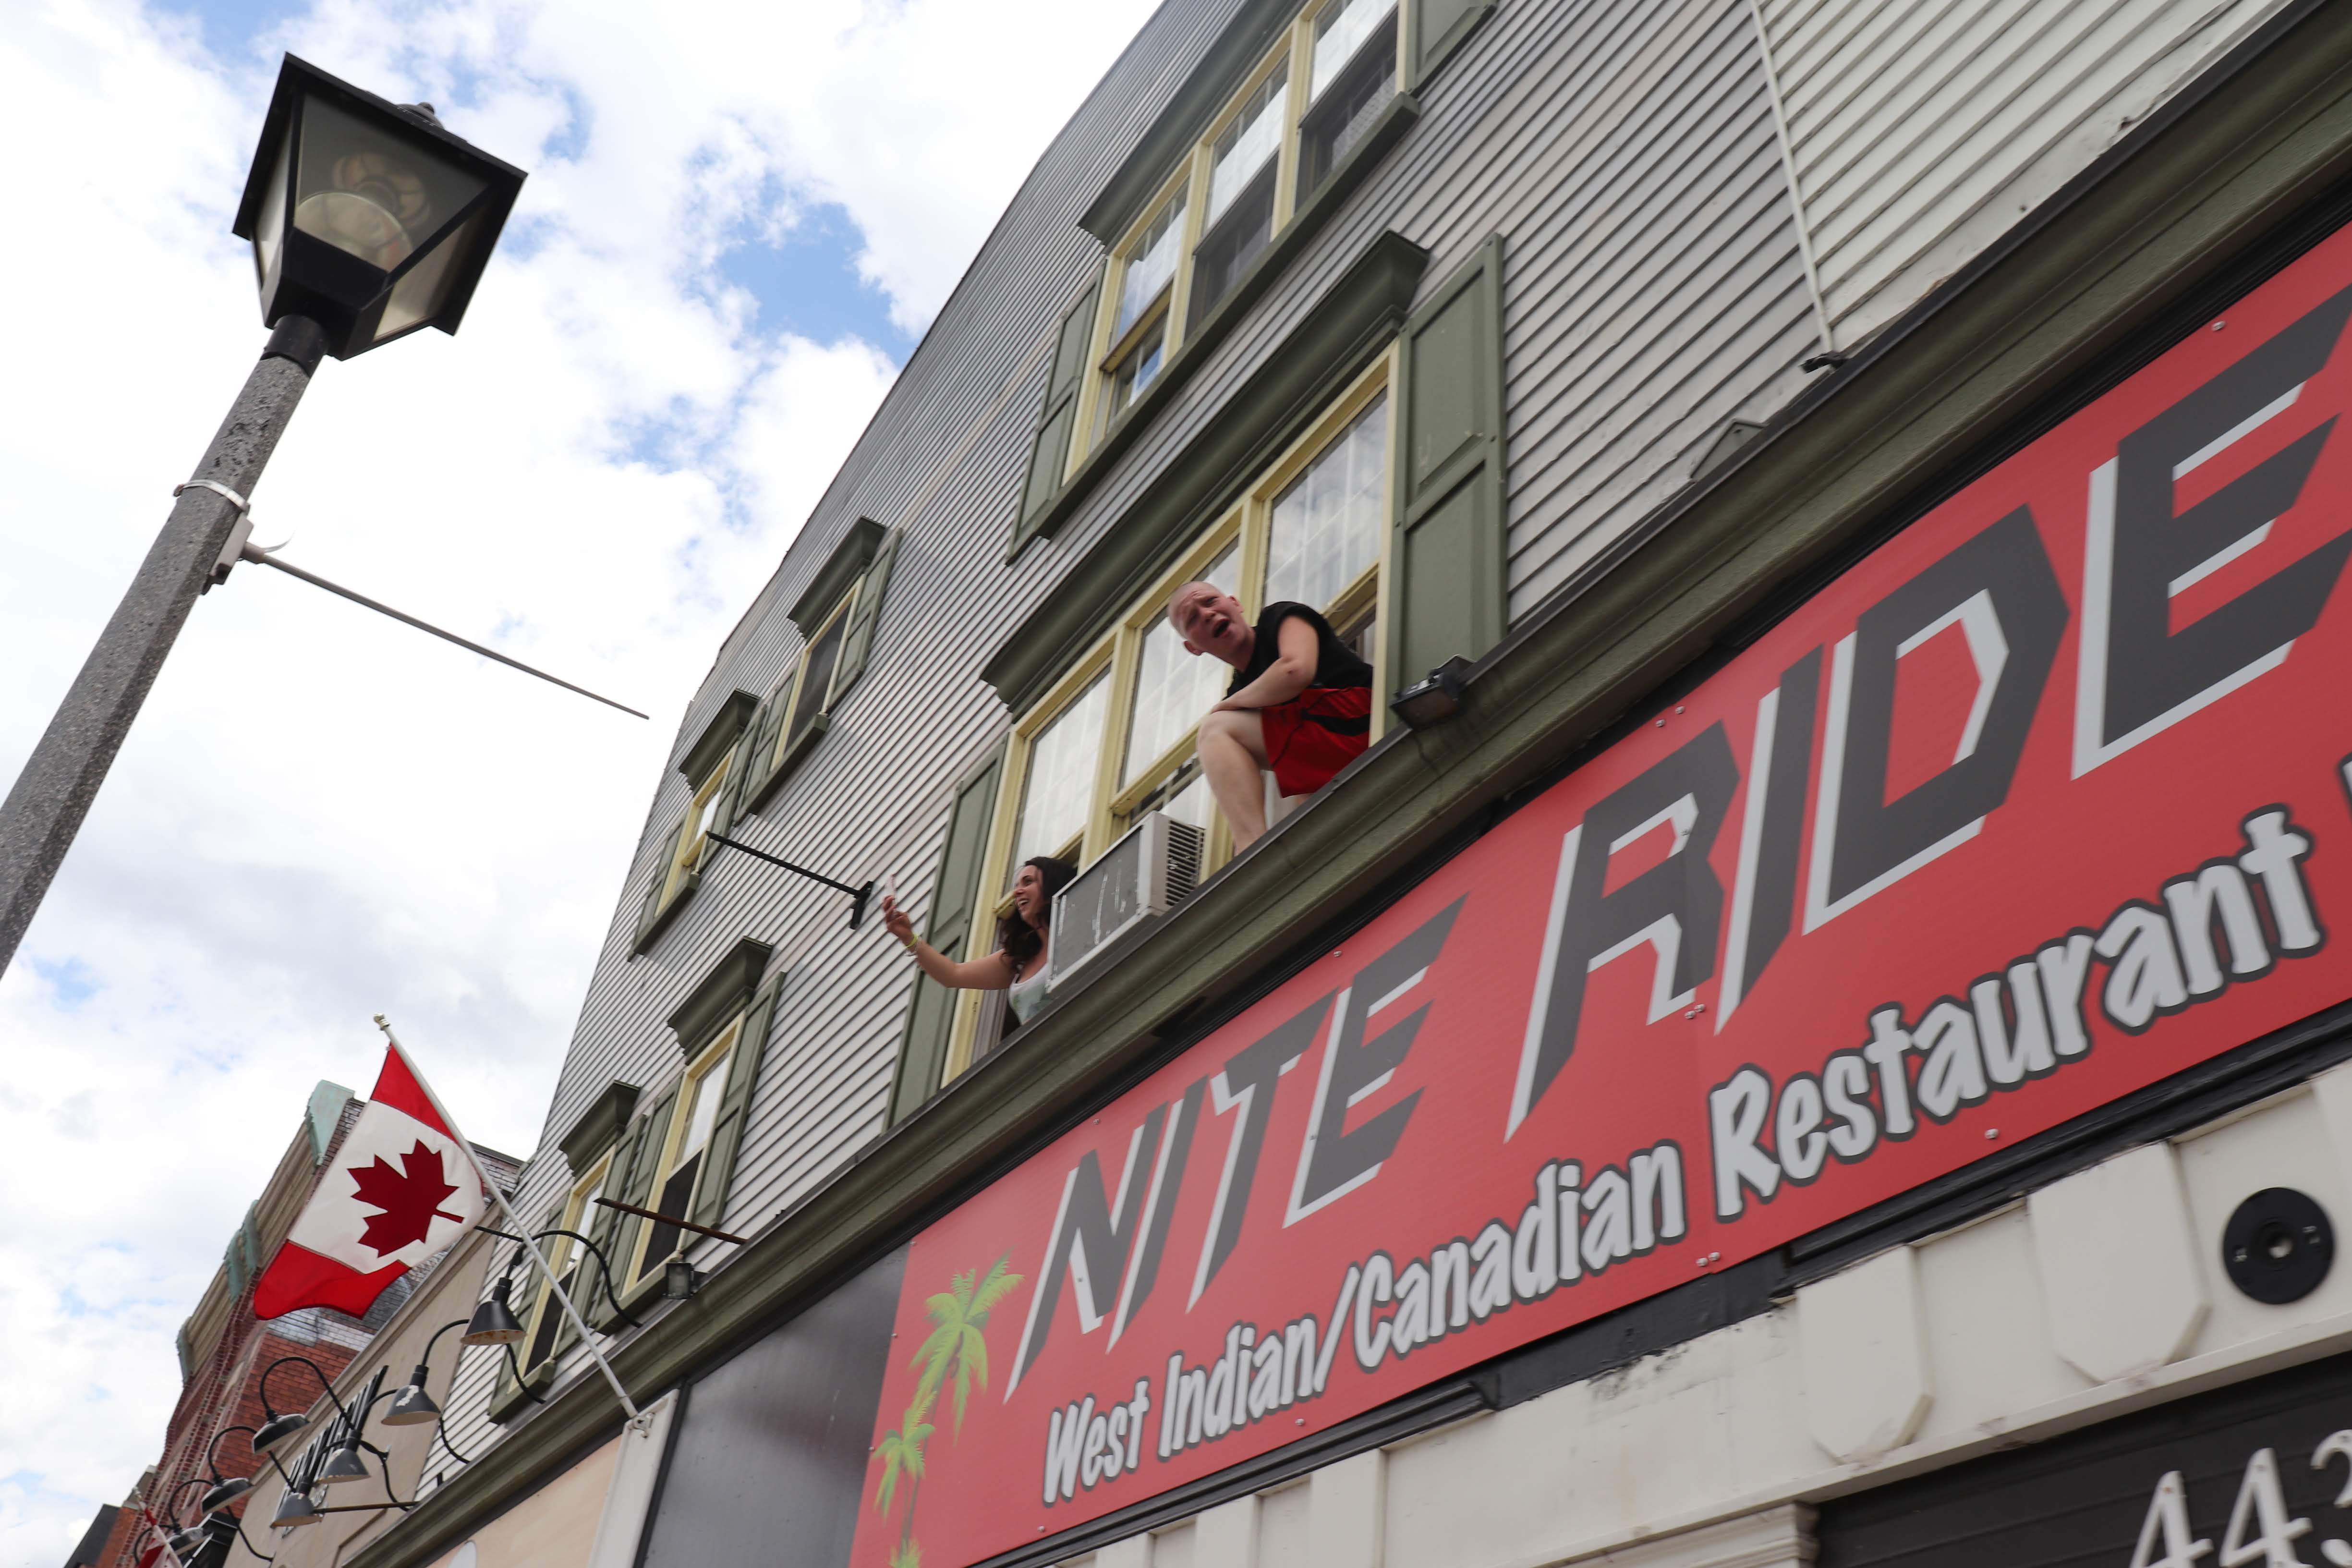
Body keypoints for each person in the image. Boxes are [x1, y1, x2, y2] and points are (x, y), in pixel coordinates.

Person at [1165, 582, 1374, 850]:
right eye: (1192, 618)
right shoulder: (1238, 704)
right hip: (1336, 760)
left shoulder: (1281, 617)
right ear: (1193, 648)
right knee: (1304, 797)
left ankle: (1250, 849)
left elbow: (1296, 670)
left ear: (1235, 604)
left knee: (1216, 730)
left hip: (1369, 721)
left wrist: (1227, 707)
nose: (1206, 614)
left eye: (1210, 602)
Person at [881, 855, 1078, 1029]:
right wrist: (908, 937)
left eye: (1028, 882)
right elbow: (953, 975)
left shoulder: (1077, 935)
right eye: (1016, 886)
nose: (1017, 892)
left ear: (1052, 886)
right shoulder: (1020, 958)